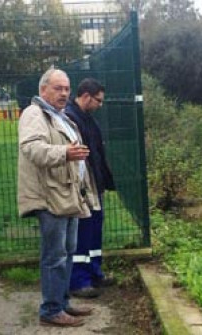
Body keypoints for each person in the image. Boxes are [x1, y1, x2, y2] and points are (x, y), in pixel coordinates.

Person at [17, 68, 101, 328]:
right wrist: (65, 152)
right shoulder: (34, 114)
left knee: (66, 252)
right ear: (44, 90)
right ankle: (51, 309)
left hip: (67, 195)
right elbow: (31, 148)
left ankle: (62, 303)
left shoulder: (60, 116)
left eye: (66, 88)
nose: (64, 93)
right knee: (54, 255)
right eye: (58, 88)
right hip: (49, 196)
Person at [65, 78, 115, 299]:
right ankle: (79, 280)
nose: (100, 105)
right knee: (83, 231)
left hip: (94, 182)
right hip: (82, 185)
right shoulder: (71, 118)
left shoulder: (86, 118)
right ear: (86, 96)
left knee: (95, 228)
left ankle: (95, 272)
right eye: (98, 100)